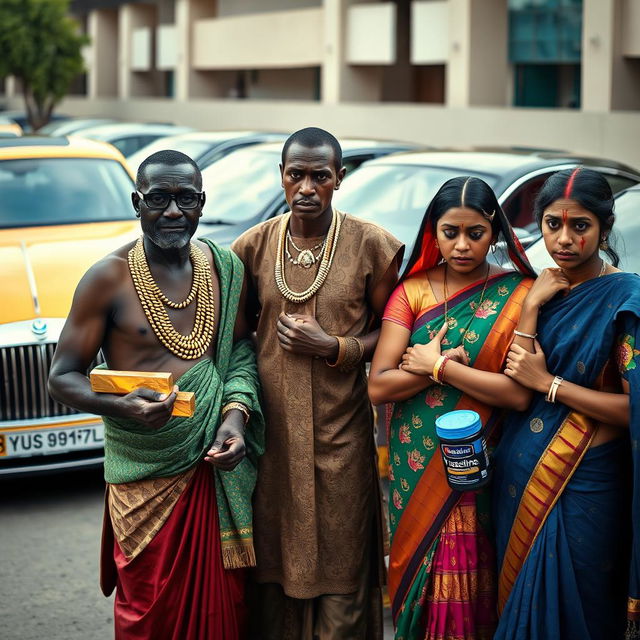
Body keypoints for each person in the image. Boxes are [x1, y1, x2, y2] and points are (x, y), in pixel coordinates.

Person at [48, 149, 264, 640]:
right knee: (148, 614)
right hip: (144, 474)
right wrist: (118, 406)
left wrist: (234, 420)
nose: (173, 211)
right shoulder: (108, 277)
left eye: (185, 198)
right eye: (159, 198)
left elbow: (239, 356)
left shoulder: (224, 267)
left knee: (220, 614)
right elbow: (62, 376)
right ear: (136, 202)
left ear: (202, 203)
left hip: (210, 469)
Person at [231, 127, 403, 639]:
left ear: (339, 179)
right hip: (273, 443)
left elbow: (395, 333)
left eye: (320, 176)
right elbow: (239, 341)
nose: (307, 187)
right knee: (273, 572)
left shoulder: (371, 246)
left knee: (341, 568)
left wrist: (335, 347)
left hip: (340, 439)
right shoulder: (253, 246)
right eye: (296, 175)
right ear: (282, 178)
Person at [368, 176, 537, 640]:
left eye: (476, 233)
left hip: (487, 461)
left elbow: (519, 394)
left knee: (479, 570)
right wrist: (426, 370)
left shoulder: (520, 294)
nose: (462, 245)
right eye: (450, 232)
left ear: (496, 233)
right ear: (433, 233)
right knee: (422, 571)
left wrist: (437, 365)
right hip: (418, 461)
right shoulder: (413, 292)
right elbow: (379, 386)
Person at [493, 167, 640, 639]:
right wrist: (532, 308)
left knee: (578, 612)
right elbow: (516, 378)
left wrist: (550, 384)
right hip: (517, 480)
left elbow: (633, 409)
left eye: (581, 226)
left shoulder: (625, 301)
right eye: (553, 224)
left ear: (603, 227)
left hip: (585, 486)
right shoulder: (537, 290)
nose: (565, 238)